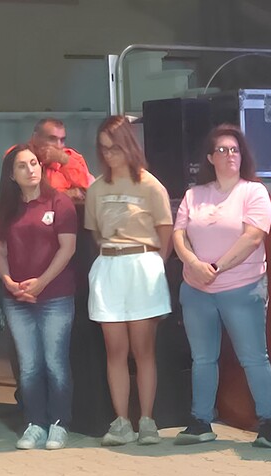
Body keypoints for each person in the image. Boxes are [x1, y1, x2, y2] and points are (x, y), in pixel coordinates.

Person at [172, 125, 271, 447]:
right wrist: (194, 264)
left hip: (242, 287)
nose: (229, 155)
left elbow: (253, 238)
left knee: (253, 357)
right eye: (222, 150)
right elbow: (178, 235)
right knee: (202, 358)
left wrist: (216, 268)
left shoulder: (253, 192)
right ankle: (200, 421)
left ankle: (269, 423)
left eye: (234, 150)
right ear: (210, 158)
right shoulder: (194, 195)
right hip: (196, 289)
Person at [85, 115, 173, 447]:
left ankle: (147, 420)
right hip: (109, 266)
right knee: (115, 350)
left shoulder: (151, 185)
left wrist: (154, 265)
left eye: (116, 148)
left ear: (129, 146)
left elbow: (166, 233)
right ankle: (121, 421)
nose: (110, 155)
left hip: (143, 265)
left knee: (143, 349)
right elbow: (95, 234)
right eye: (104, 149)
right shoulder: (96, 188)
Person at [0, 145, 78, 450]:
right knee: (29, 365)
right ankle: (34, 423)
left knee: (55, 362)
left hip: (55, 296)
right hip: (17, 299)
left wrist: (41, 283)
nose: (31, 169)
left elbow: (67, 248)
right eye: (22, 166)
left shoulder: (59, 202)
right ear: (11, 175)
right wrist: (8, 282)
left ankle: (59, 423)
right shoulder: (5, 209)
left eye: (34, 163)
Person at [29, 118, 94, 202]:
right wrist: (64, 194)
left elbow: (90, 190)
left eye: (62, 140)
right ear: (35, 138)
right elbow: (22, 194)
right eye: (52, 139)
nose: (58, 146)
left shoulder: (73, 157)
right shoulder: (19, 156)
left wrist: (64, 159)